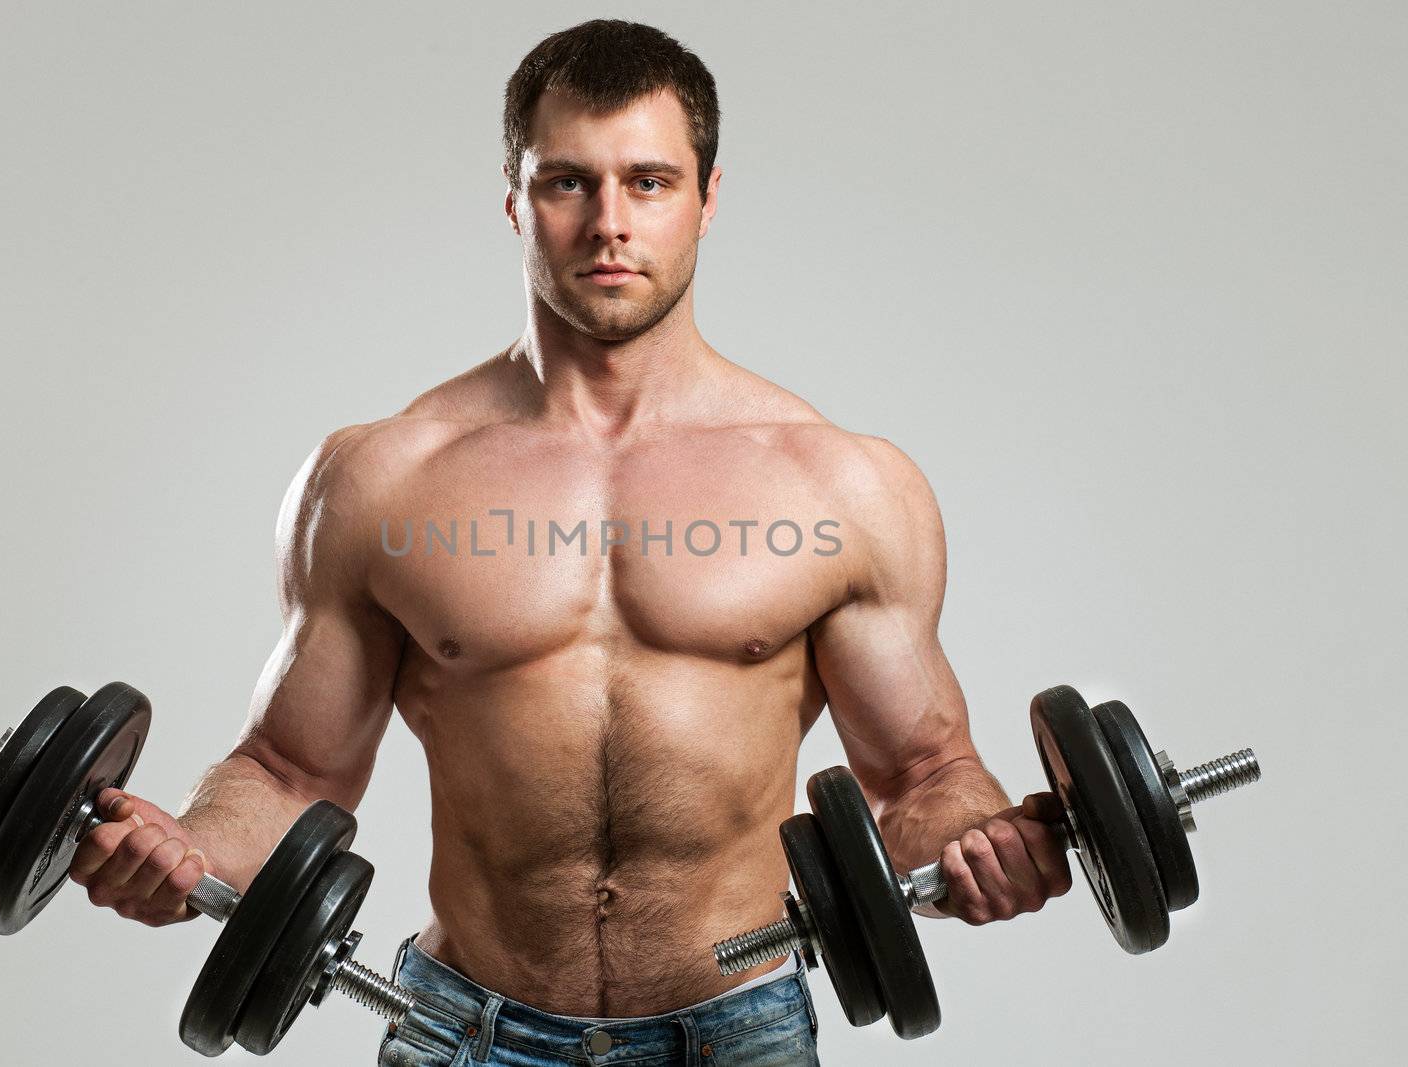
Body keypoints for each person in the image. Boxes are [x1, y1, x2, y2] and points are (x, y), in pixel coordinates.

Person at [71, 19, 1072, 1066]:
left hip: (736, 1032)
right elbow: (287, 767)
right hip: (466, 1027)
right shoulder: (382, 477)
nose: (609, 224)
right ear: (514, 199)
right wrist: (182, 847)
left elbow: (920, 773)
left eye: (648, 182)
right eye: (567, 183)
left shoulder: (842, 485)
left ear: (707, 198)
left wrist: (981, 840)